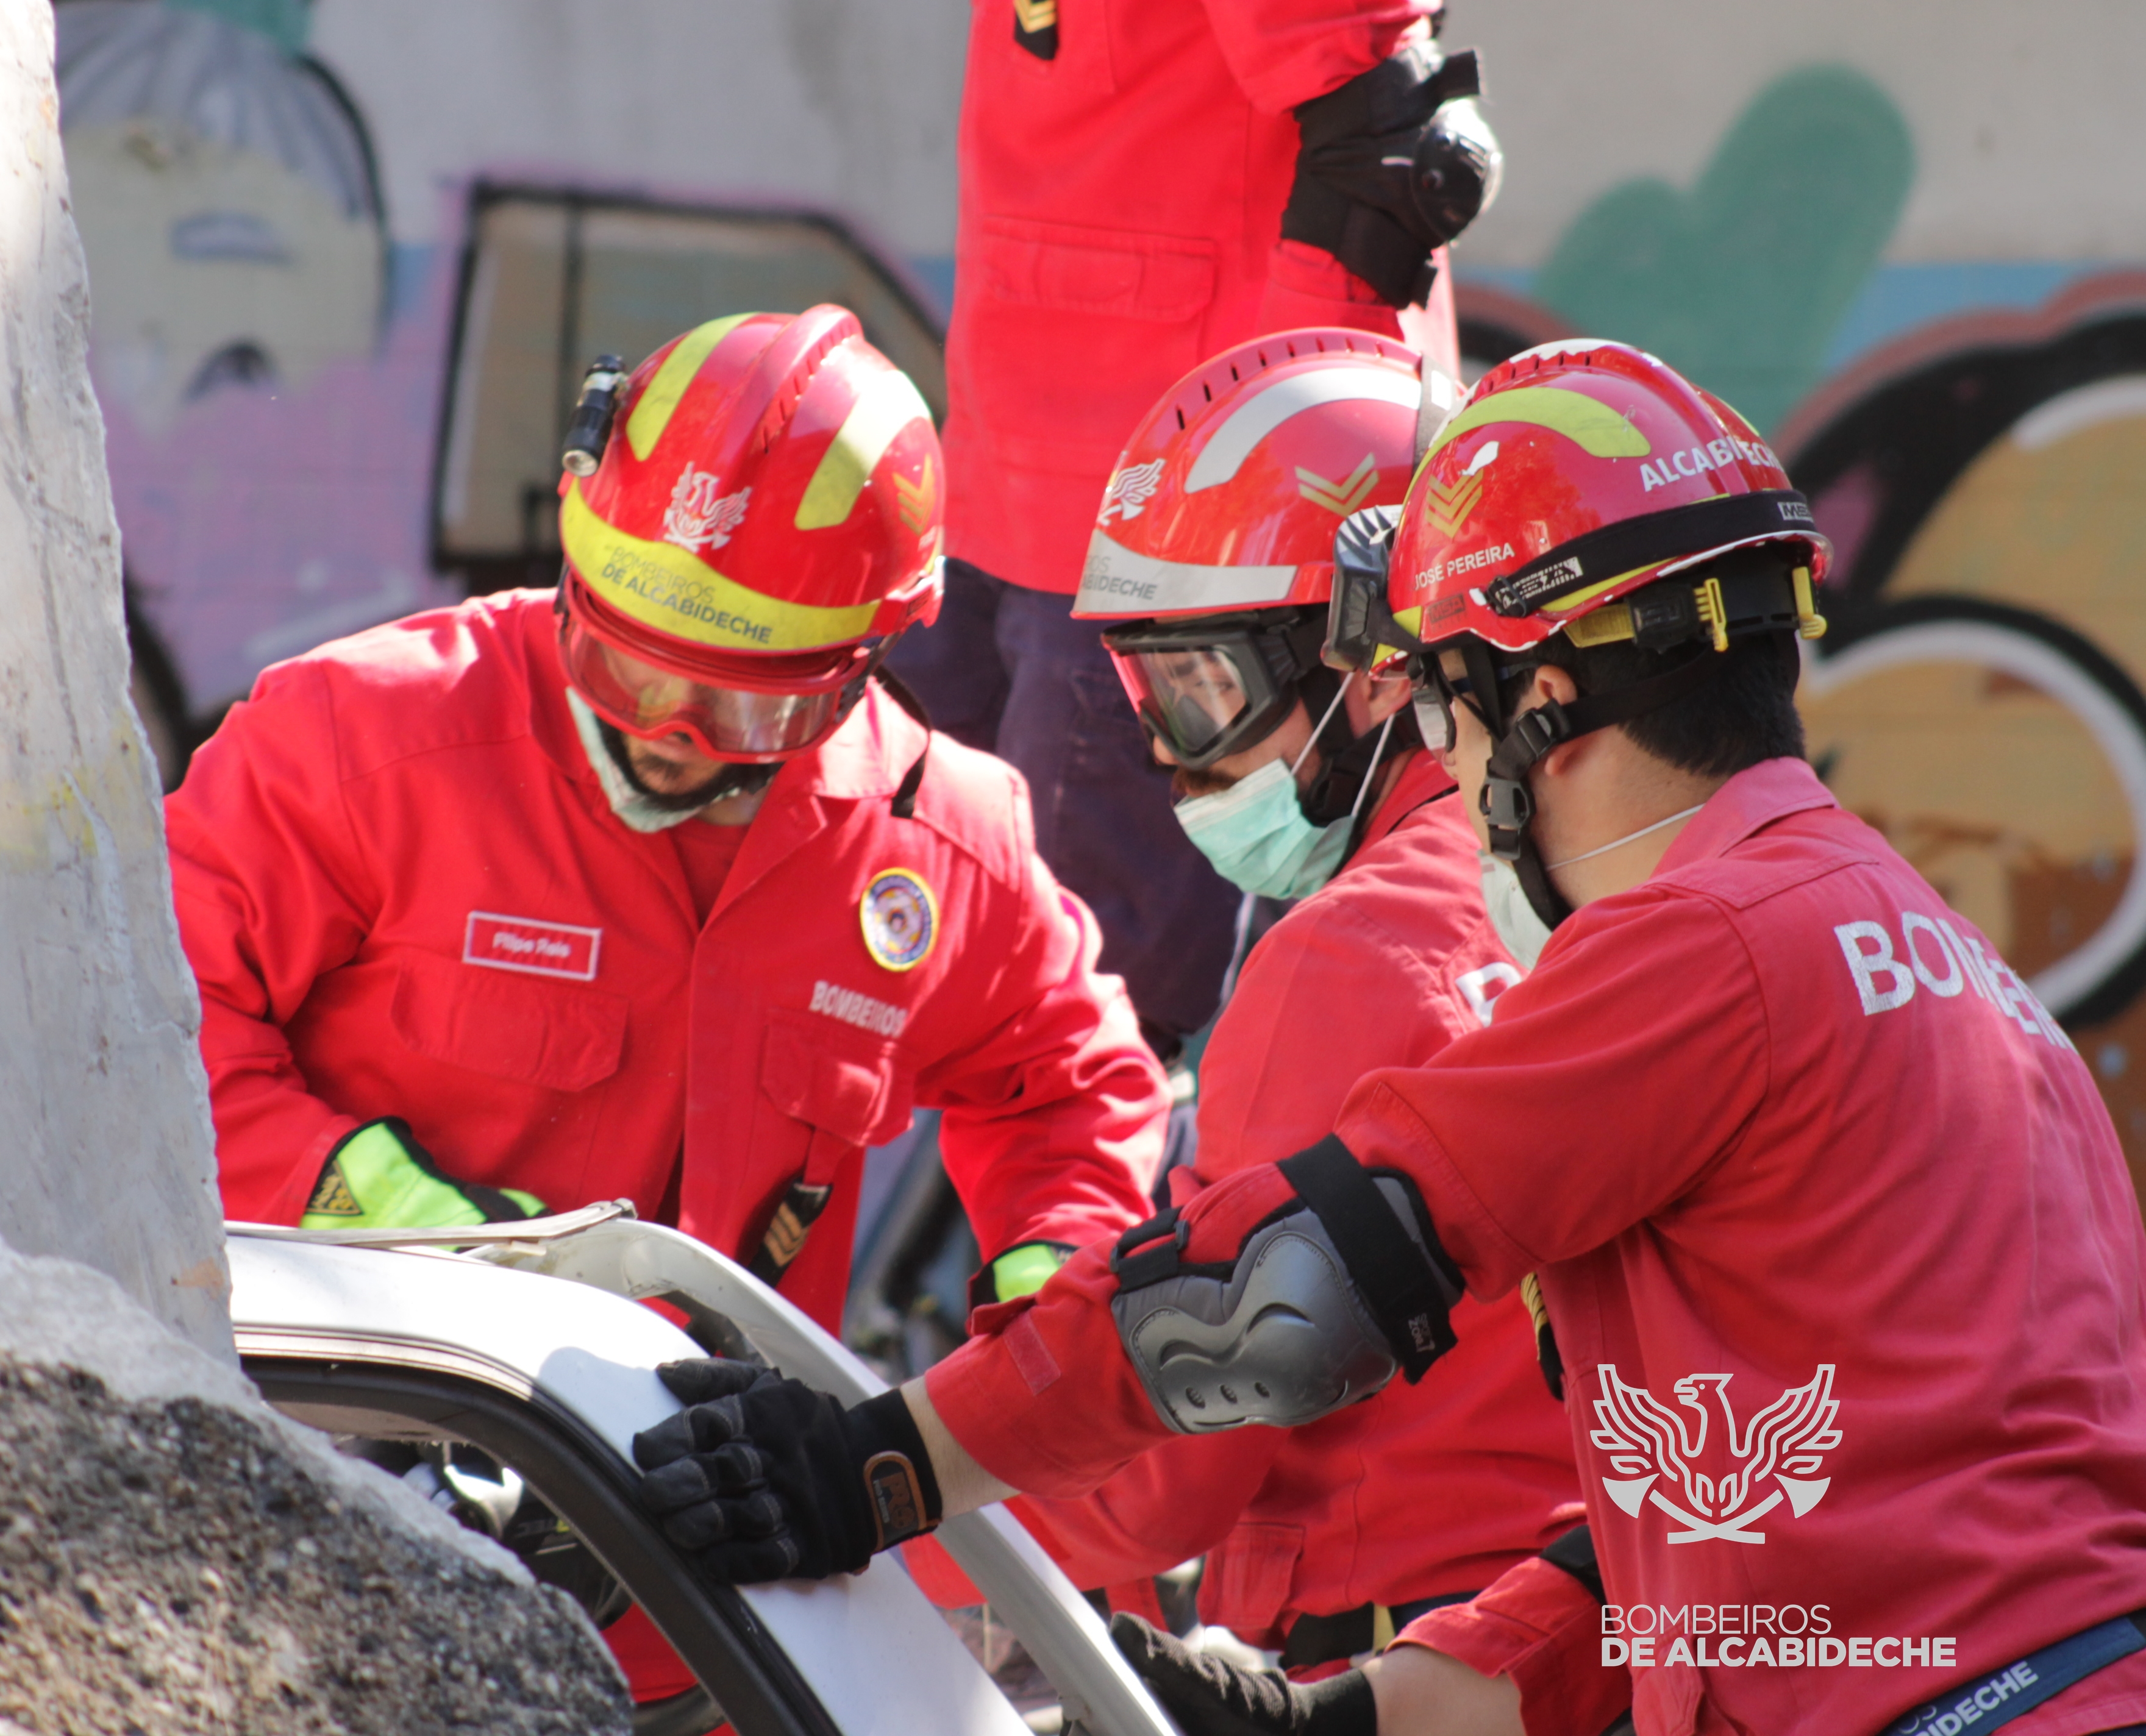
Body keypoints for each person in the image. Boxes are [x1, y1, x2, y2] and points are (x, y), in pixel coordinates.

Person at [630, 341, 2146, 1736]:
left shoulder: (1705, 944)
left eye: (1450, 718)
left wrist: (871, 1464)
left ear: (1542, 700)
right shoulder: (1951, 966)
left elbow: (1282, 1291)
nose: (1452, 775)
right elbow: (1706, 1545)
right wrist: (1336, 1719)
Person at [165, 305, 1169, 1706]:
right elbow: (144, 1026)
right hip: (313, 1570)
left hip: (710, 1635)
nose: (661, 731)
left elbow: (1070, 1085)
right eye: (624, 662)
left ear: (859, 666)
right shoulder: (358, 743)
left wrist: (1033, 1339)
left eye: (734, 708)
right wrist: (381, 1209)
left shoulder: (940, 842)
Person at [891, 327, 1603, 1726]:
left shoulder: (1349, 956)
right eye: (1145, 693)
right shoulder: (1621, 888)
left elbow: (1158, 1464)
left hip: (1395, 1657)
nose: (1168, 752)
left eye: (1205, 689)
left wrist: (871, 1495)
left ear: (1381, 665)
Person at [890, 0, 1501, 1057]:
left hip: (1191, 534)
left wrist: (1290, 476)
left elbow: (1387, 144)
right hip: (1001, 480)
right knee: (917, 994)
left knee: (1089, 1034)